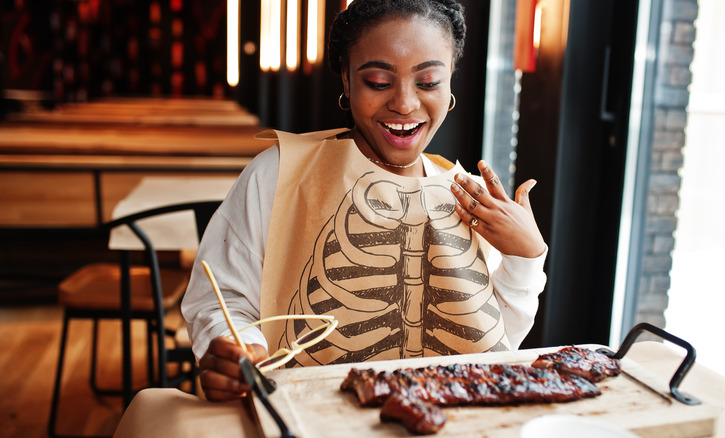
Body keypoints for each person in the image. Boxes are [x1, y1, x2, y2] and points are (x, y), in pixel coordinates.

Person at [181, 0, 547, 402]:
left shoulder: (472, 196)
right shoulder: (278, 173)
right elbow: (223, 299)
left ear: (451, 83)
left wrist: (525, 259)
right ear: (346, 78)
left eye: (427, 83)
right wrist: (238, 349)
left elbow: (494, 343)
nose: (405, 103)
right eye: (377, 81)